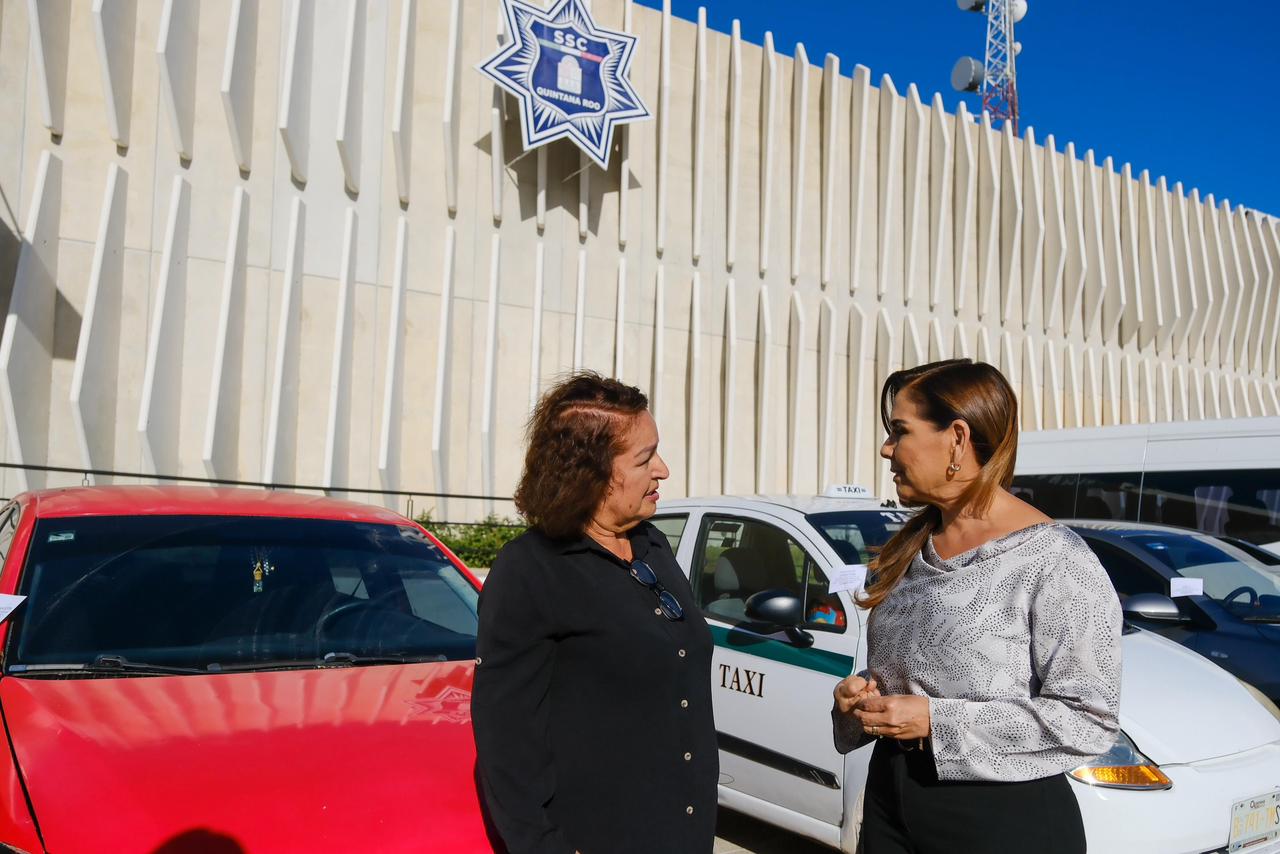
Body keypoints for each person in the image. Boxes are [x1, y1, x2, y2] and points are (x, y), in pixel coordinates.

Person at [831, 359, 1122, 854]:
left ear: (957, 438)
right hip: (890, 799)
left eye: (900, 431)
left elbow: (1088, 720)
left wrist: (935, 722)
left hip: (1000, 820)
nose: (886, 449)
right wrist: (858, 703)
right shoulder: (911, 546)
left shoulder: (1055, 559)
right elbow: (923, 677)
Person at [472, 372, 717, 854]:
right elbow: (508, 747)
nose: (663, 469)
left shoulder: (652, 546)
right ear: (591, 473)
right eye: (645, 458)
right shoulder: (531, 571)